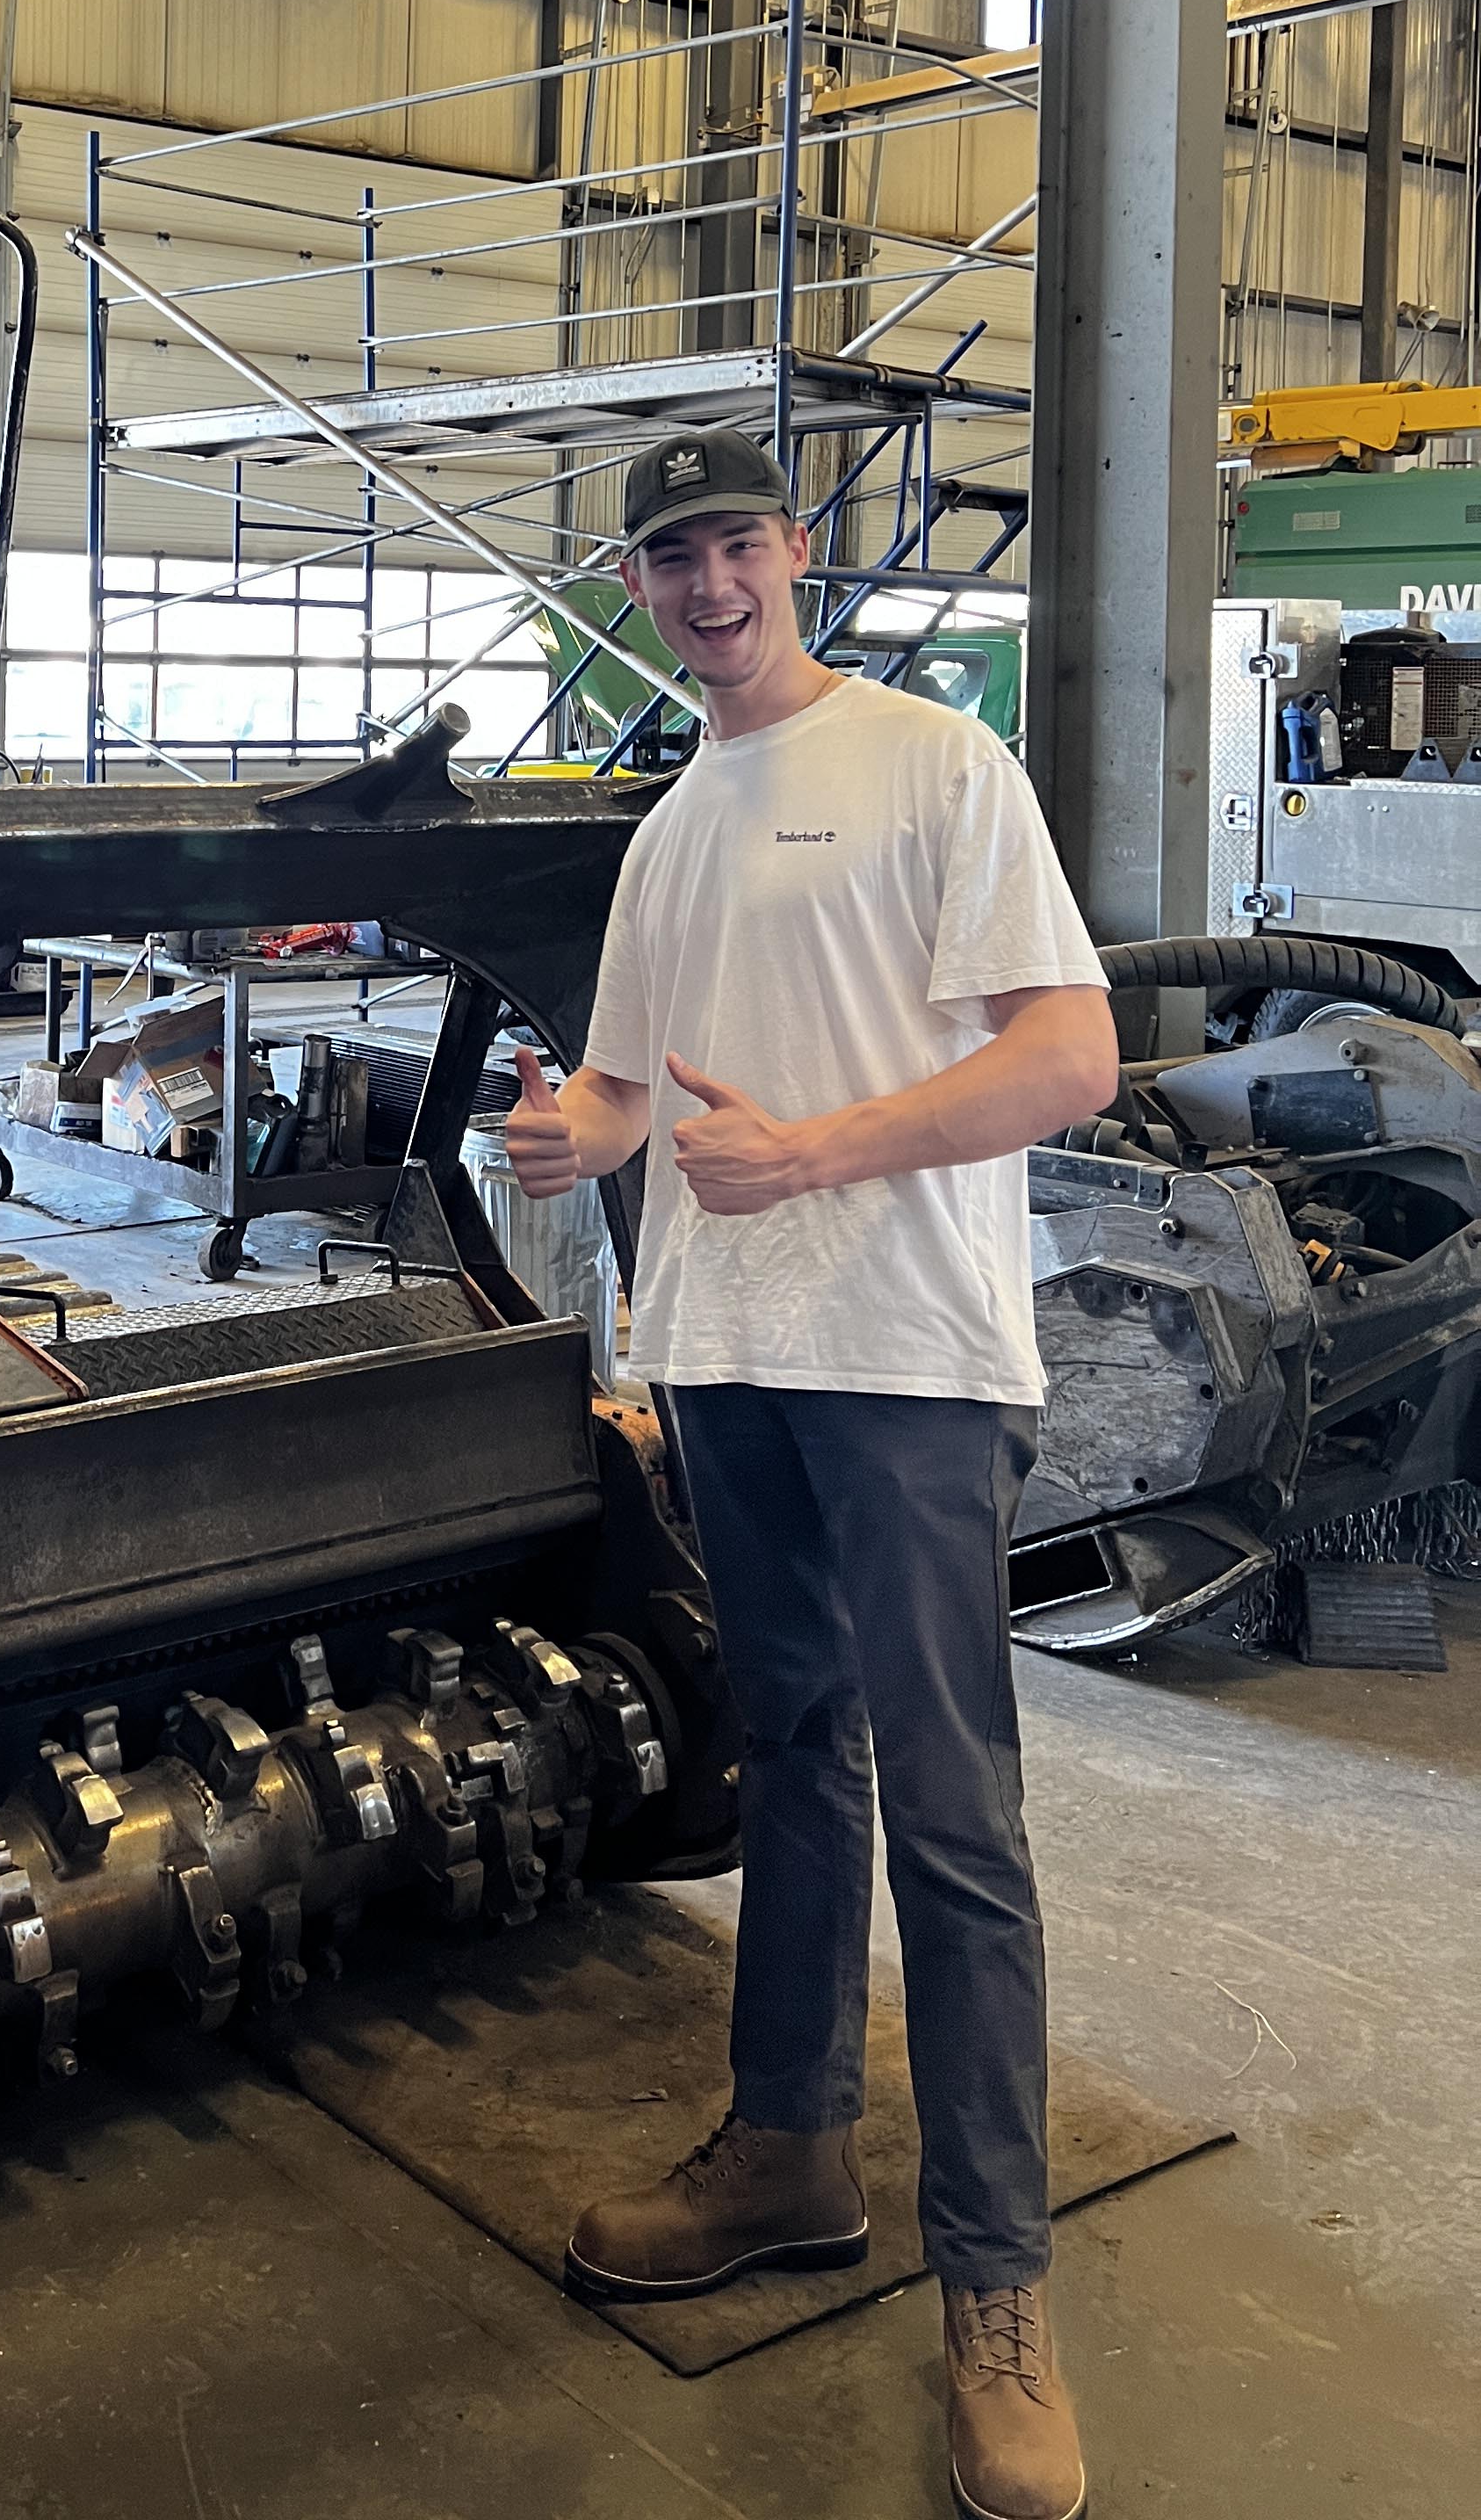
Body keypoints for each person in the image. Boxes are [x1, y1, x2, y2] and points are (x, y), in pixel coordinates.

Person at [507, 428, 1116, 2520]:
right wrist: (568, 1137)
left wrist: (817, 1152)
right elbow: (621, 1083)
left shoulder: (937, 768)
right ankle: (791, 2155)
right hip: (730, 1365)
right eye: (667, 558)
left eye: (736, 544)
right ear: (641, 588)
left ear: (796, 554)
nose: (708, 584)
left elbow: (1069, 1056)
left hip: (911, 1367)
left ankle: (998, 2295)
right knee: (802, 1758)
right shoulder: (673, 826)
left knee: (956, 1819)